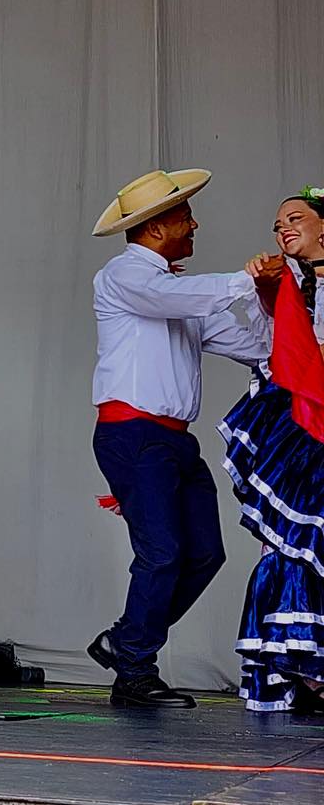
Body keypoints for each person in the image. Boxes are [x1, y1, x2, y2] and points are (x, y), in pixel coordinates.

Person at [87, 168, 276, 708]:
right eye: (183, 217)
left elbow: (255, 344)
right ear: (153, 229)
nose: (194, 224)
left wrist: (267, 297)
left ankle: (127, 643)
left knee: (204, 555)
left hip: (172, 440)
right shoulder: (124, 275)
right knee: (163, 553)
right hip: (133, 434)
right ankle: (134, 669)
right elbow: (183, 299)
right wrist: (246, 277)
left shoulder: (174, 291)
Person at [218, 188, 324, 712]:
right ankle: (299, 668)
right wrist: (266, 291)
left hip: (316, 415)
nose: (282, 228)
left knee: (309, 538)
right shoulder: (291, 284)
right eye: (277, 222)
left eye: (295, 218)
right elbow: (275, 343)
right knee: (287, 541)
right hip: (299, 423)